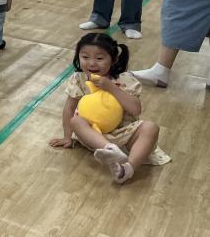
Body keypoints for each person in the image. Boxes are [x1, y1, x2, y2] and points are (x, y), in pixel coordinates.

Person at [49, 34, 168, 184]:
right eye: (85, 57)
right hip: (94, 136)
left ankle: (127, 169)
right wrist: (67, 137)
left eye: (99, 58)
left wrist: (111, 87)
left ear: (114, 59)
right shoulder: (79, 79)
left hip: (125, 135)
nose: (92, 63)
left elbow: (135, 110)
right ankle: (110, 149)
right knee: (76, 121)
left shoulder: (125, 79)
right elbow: (69, 109)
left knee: (151, 127)